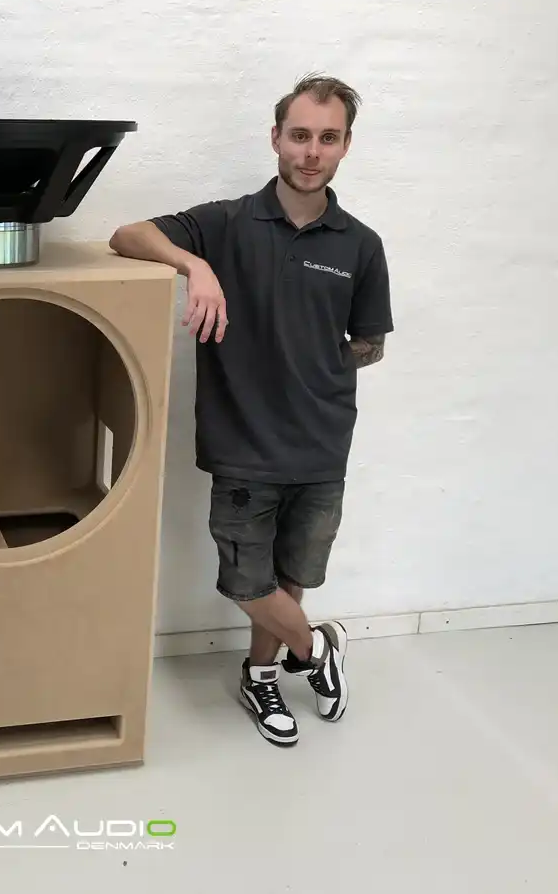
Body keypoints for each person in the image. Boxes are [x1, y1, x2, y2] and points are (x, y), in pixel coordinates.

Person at [108, 74, 393, 747]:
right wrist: (196, 267)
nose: (311, 152)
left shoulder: (360, 243)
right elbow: (127, 234)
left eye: (328, 138)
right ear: (276, 138)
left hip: (323, 444)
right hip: (243, 444)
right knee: (245, 581)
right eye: (300, 135)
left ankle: (261, 675)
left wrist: (313, 369)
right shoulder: (226, 224)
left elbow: (369, 343)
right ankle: (317, 648)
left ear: (346, 146)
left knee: (291, 578)